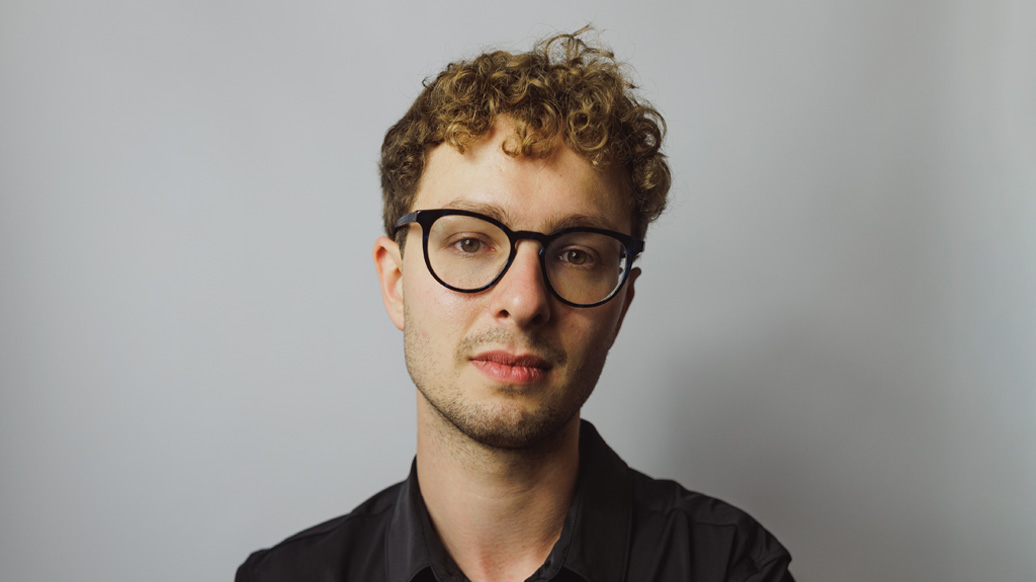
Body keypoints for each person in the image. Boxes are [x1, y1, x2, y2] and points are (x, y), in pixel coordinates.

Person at [236, 29, 794, 582]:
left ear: (621, 305)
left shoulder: (733, 572)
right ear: (396, 281)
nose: (525, 301)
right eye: (470, 243)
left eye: (575, 254)